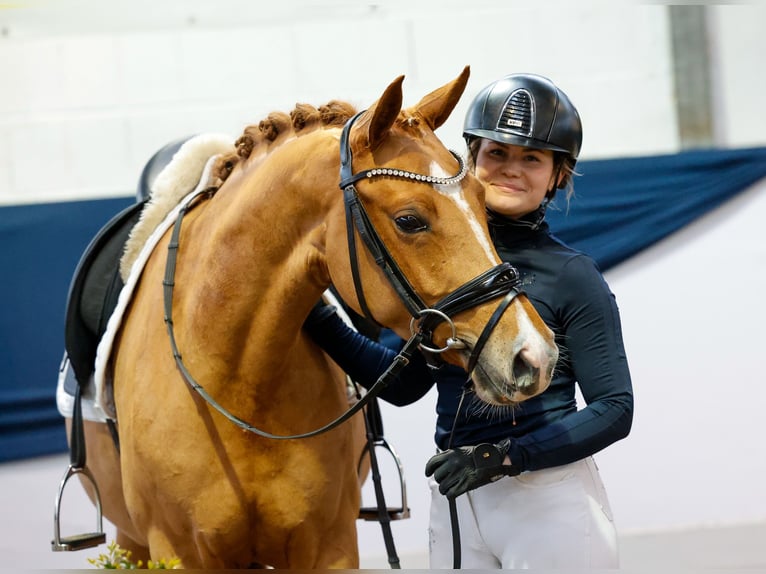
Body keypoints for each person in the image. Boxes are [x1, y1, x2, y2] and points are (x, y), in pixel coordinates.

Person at [304, 73, 634, 569]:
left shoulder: (572, 275)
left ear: (558, 175)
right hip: (456, 502)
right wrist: (315, 313)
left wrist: (502, 455)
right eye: (496, 153)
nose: (510, 169)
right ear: (471, 158)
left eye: (532, 158)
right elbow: (403, 383)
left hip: (548, 499)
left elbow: (615, 407)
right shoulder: (443, 268)